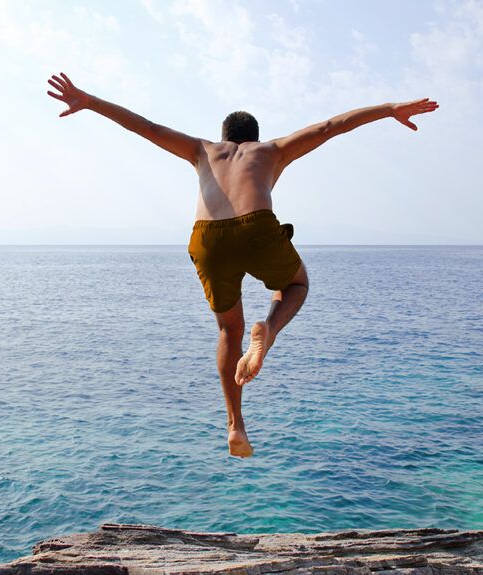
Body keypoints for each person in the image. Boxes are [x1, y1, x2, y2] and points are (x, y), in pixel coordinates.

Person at [47, 72, 438, 457]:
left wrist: (89, 101)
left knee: (227, 330)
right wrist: (389, 109)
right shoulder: (271, 150)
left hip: (207, 238)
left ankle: (235, 424)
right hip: (256, 227)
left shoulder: (202, 150)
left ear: (224, 138)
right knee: (296, 286)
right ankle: (268, 329)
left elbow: (146, 127)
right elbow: (332, 125)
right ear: (254, 137)